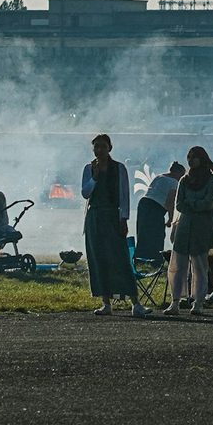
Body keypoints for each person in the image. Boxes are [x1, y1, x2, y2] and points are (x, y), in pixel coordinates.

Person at [81, 132, 148, 317]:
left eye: (103, 146)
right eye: (96, 147)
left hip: (112, 215)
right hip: (94, 216)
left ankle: (135, 302)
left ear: (110, 148)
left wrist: (123, 219)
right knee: (98, 258)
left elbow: (124, 195)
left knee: (120, 258)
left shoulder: (119, 168)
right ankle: (106, 302)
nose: (99, 150)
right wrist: (94, 177)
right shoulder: (89, 168)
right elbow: (85, 193)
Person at [166, 146, 213, 316]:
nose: (191, 160)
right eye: (189, 157)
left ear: (202, 159)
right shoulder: (184, 180)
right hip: (184, 226)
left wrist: (192, 204)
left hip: (203, 227)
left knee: (199, 266)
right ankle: (175, 301)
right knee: (178, 265)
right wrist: (194, 204)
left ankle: (198, 302)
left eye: (194, 157)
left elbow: (207, 203)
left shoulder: (212, 181)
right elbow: (178, 204)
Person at [138, 161, 184, 261]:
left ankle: (141, 256)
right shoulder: (174, 182)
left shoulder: (159, 176)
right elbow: (170, 202)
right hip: (155, 207)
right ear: (178, 173)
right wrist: (170, 219)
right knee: (157, 233)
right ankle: (156, 257)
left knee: (143, 231)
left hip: (143, 203)